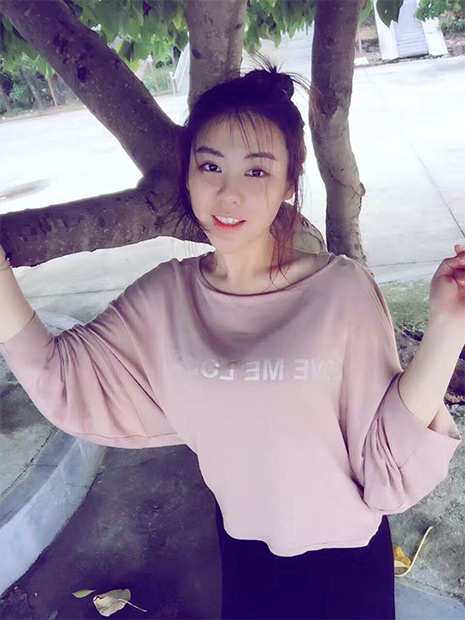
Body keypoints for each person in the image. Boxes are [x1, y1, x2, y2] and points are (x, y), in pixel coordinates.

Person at [0, 55, 462, 620]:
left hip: (345, 563)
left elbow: (385, 457)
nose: (228, 193)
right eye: (211, 166)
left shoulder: (340, 291)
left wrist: (449, 325)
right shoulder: (165, 300)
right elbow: (61, 375)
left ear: (289, 183)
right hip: (244, 551)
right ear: (188, 174)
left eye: (257, 172)